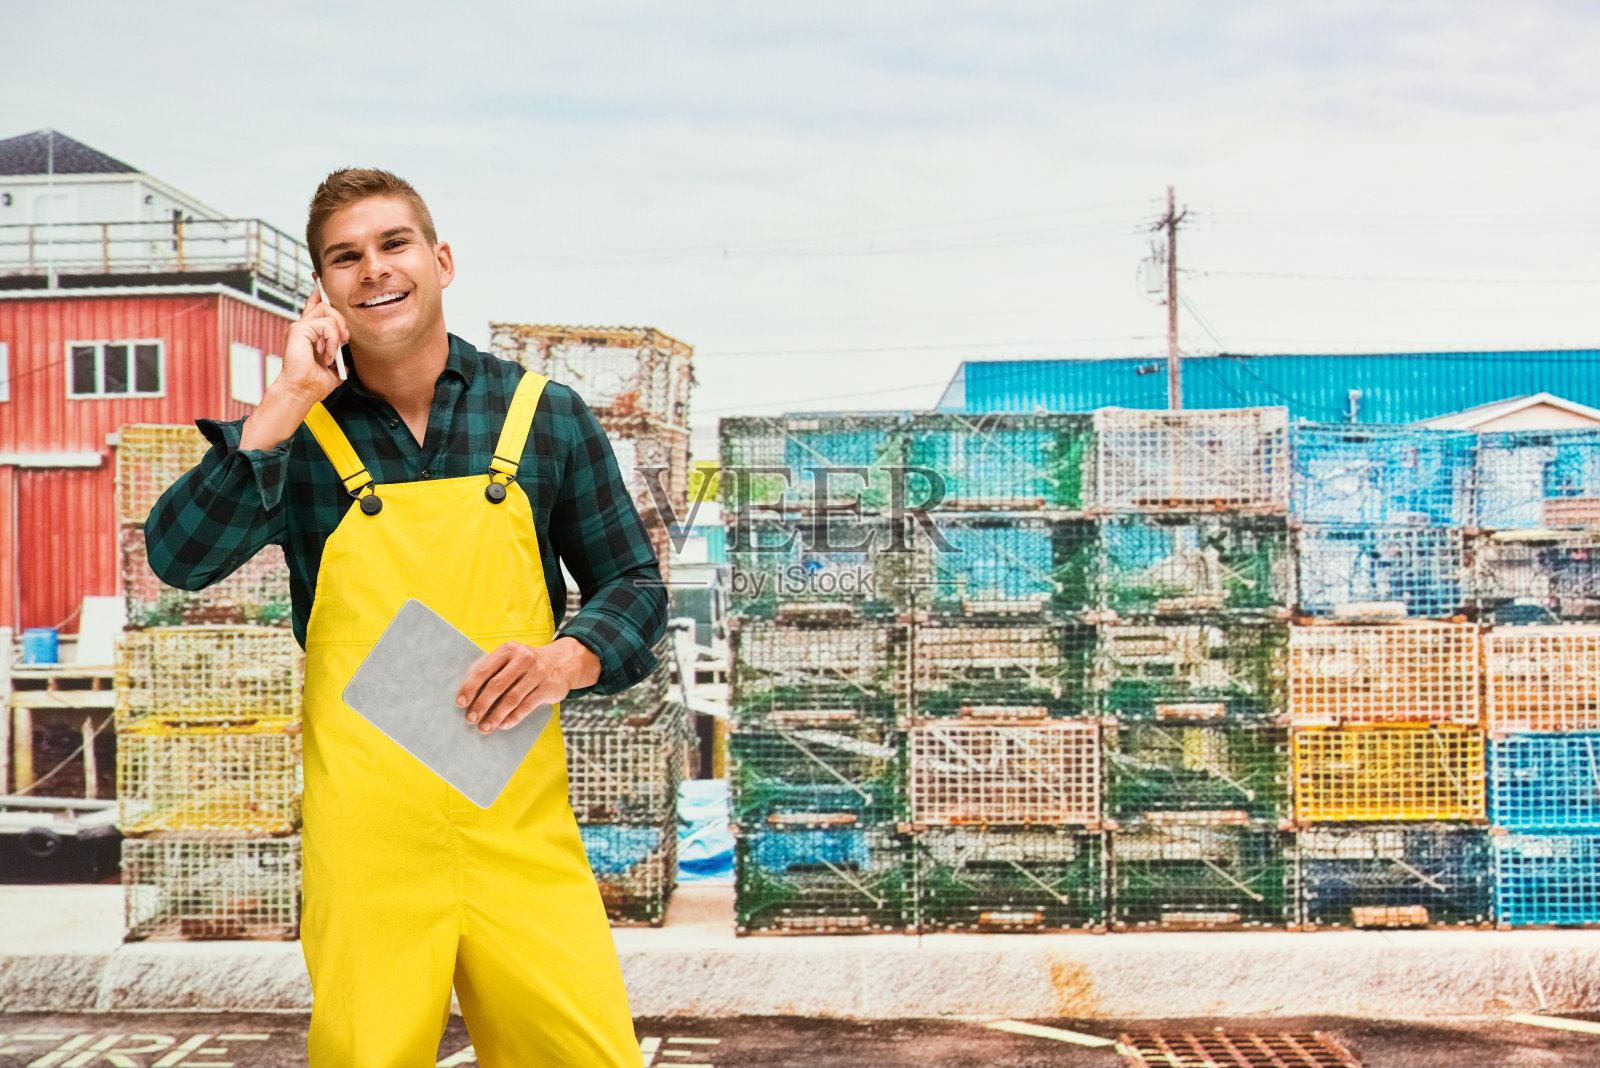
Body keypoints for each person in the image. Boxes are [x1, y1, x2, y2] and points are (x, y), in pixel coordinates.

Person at [145, 168, 665, 1067]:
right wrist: (285, 401)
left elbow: (634, 584)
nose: (374, 270)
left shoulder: (543, 417)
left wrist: (567, 659)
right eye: (345, 258)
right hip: (369, 851)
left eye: (394, 244)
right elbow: (179, 557)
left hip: (517, 832)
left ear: (441, 259)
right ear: (323, 292)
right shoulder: (302, 434)